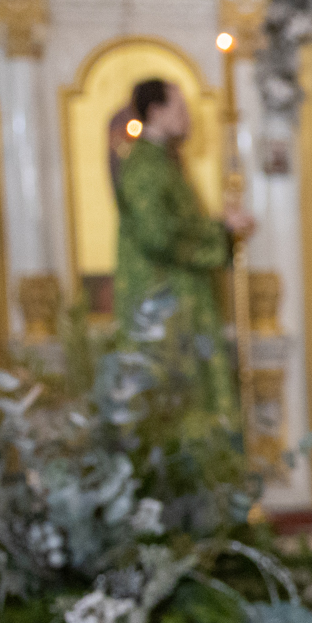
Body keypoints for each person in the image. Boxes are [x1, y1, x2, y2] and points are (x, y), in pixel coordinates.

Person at [115, 78, 251, 421]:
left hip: (183, 300)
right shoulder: (145, 165)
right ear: (155, 111)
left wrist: (220, 229)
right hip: (163, 304)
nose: (188, 117)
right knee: (175, 408)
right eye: (180, 108)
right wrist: (219, 231)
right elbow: (157, 235)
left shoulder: (166, 162)